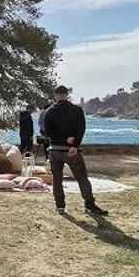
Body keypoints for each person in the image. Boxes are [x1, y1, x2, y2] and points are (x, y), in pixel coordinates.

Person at [43, 85, 108, 216]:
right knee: (82, 177)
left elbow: (47, 132)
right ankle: (90, 205)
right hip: (71, 150)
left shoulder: (48, 111)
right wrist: (74, 143)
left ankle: (60, 206)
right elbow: (81, 129)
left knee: (57, 179)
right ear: (67, 95)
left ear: (55, 95)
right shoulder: (76, 109)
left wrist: (60, 138)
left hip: (54, 149)